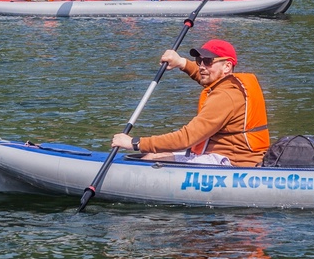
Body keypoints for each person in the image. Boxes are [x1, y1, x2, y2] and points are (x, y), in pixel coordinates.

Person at [112, 39, 270, 166]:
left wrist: (135, 143)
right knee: (155, 154)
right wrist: (181, 62)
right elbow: (204, 76)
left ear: (227, 66)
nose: (201, 66)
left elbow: (186, 139)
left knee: (150, 159)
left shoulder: (225, 96)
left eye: (208, 61)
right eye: (199, 60)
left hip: (231, 163)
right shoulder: (233, 83)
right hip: (230, 157)